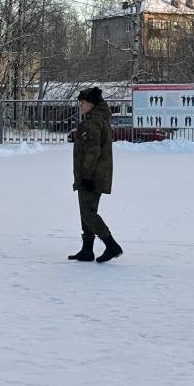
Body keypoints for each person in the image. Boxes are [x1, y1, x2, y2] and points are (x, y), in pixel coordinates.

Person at [69, 87, 122, 263]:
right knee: (88, 211)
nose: (80, 106)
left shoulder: (92, 122)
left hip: (91, 176)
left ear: (91, 104)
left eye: (82, 103)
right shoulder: (99, 120)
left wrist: (87, 176)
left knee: (87, 213)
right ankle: (87, 250)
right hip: (95, 174)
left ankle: (111, 245)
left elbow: (93, 151)